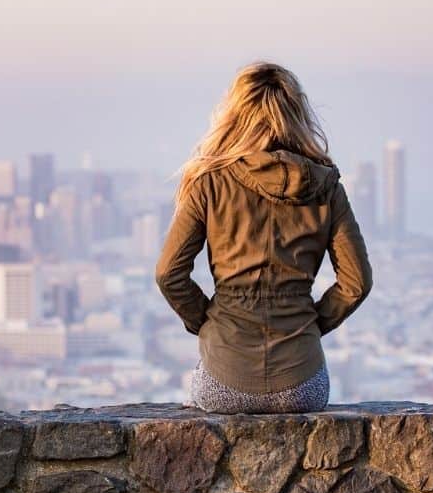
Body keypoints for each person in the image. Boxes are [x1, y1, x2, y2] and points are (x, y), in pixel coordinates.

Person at [155, 61, 372, 413]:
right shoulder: (327, 187)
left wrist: (209, 322)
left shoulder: (209, 182)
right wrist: (310, 324)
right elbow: (357, 283)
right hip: (303, 384)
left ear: (234, 115)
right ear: (297, 114)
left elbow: (168, 274)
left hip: (223, 379)